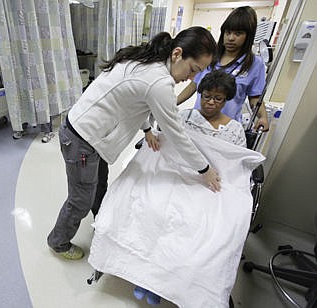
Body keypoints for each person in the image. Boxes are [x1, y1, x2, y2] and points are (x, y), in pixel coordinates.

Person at [88, 70, 265, 307]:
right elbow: (168, 142)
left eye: (218, 99)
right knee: (149, 204)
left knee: (195, 222)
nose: (211, 102)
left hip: (209, 182)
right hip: (177, 171)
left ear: (227, 100)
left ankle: (167, 282)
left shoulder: (233, 129)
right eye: (207, 96)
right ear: (199, 93)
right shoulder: (184, 116)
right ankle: (144, 275)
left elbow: (233, 164)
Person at [47, 26, 221, 260]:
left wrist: (147, 128)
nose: (190, 78)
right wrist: (205, 169)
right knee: (81, 197)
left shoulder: (146, 60)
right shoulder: (160, 82)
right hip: (83, 138)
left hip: (88, 133)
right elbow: (176, 134)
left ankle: (102, 223)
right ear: (177, 54)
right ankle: (58, 241)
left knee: (99, 185)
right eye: (193, 70)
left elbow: (130, 100)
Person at [176, 6, 269, 139]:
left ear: (248, 37)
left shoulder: (255, 64)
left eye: (238, 34)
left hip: (224, 130)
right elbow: (194, 85)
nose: (231, 38)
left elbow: (255, 97)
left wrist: (263, 117)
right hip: (198, 124)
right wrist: (171, 103)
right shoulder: (210, 57)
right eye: (227, 32)